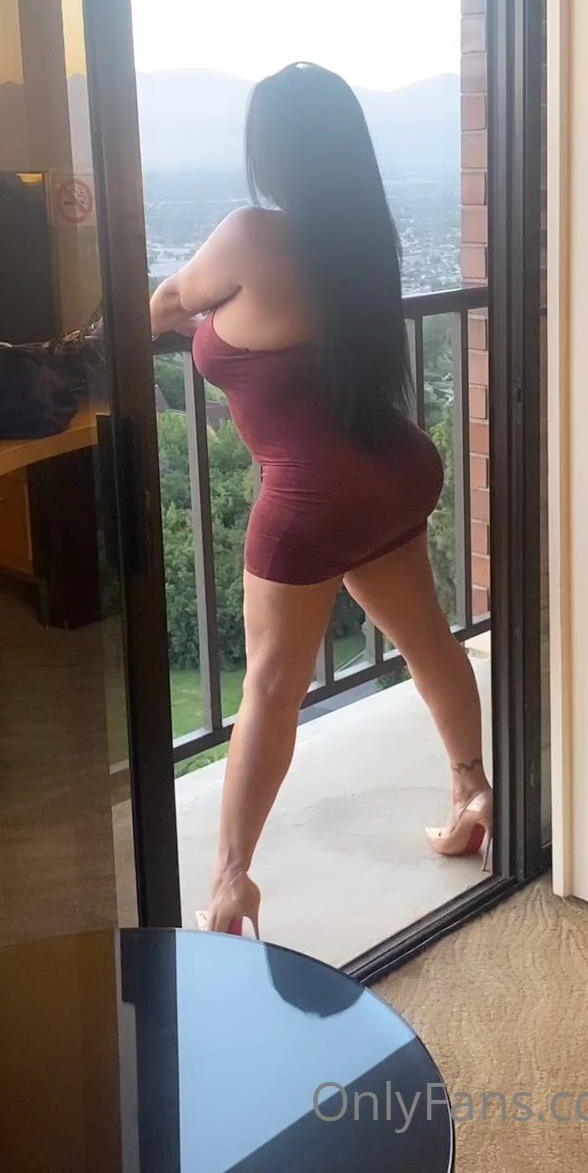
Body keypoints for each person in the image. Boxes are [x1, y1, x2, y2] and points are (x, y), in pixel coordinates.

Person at [149, 62, 492, 936]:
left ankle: (231, 883)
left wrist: (195, 322)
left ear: (271, 152)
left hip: (312, 498)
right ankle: (474, 792)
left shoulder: (249, 234)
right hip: (393, 467)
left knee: (270, 685)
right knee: (427, 641)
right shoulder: (362, 243)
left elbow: (167, 303)